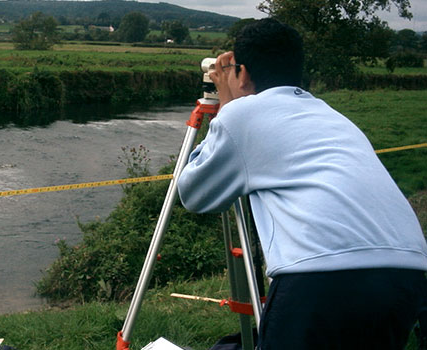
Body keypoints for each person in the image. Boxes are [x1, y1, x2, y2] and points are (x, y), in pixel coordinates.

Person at [177, 18, 427, 349]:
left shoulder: (242, 114)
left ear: (244, 73)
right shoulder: (330, 114)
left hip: (319, 276)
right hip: (405, 273)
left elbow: (193, 194)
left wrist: (226, 106)